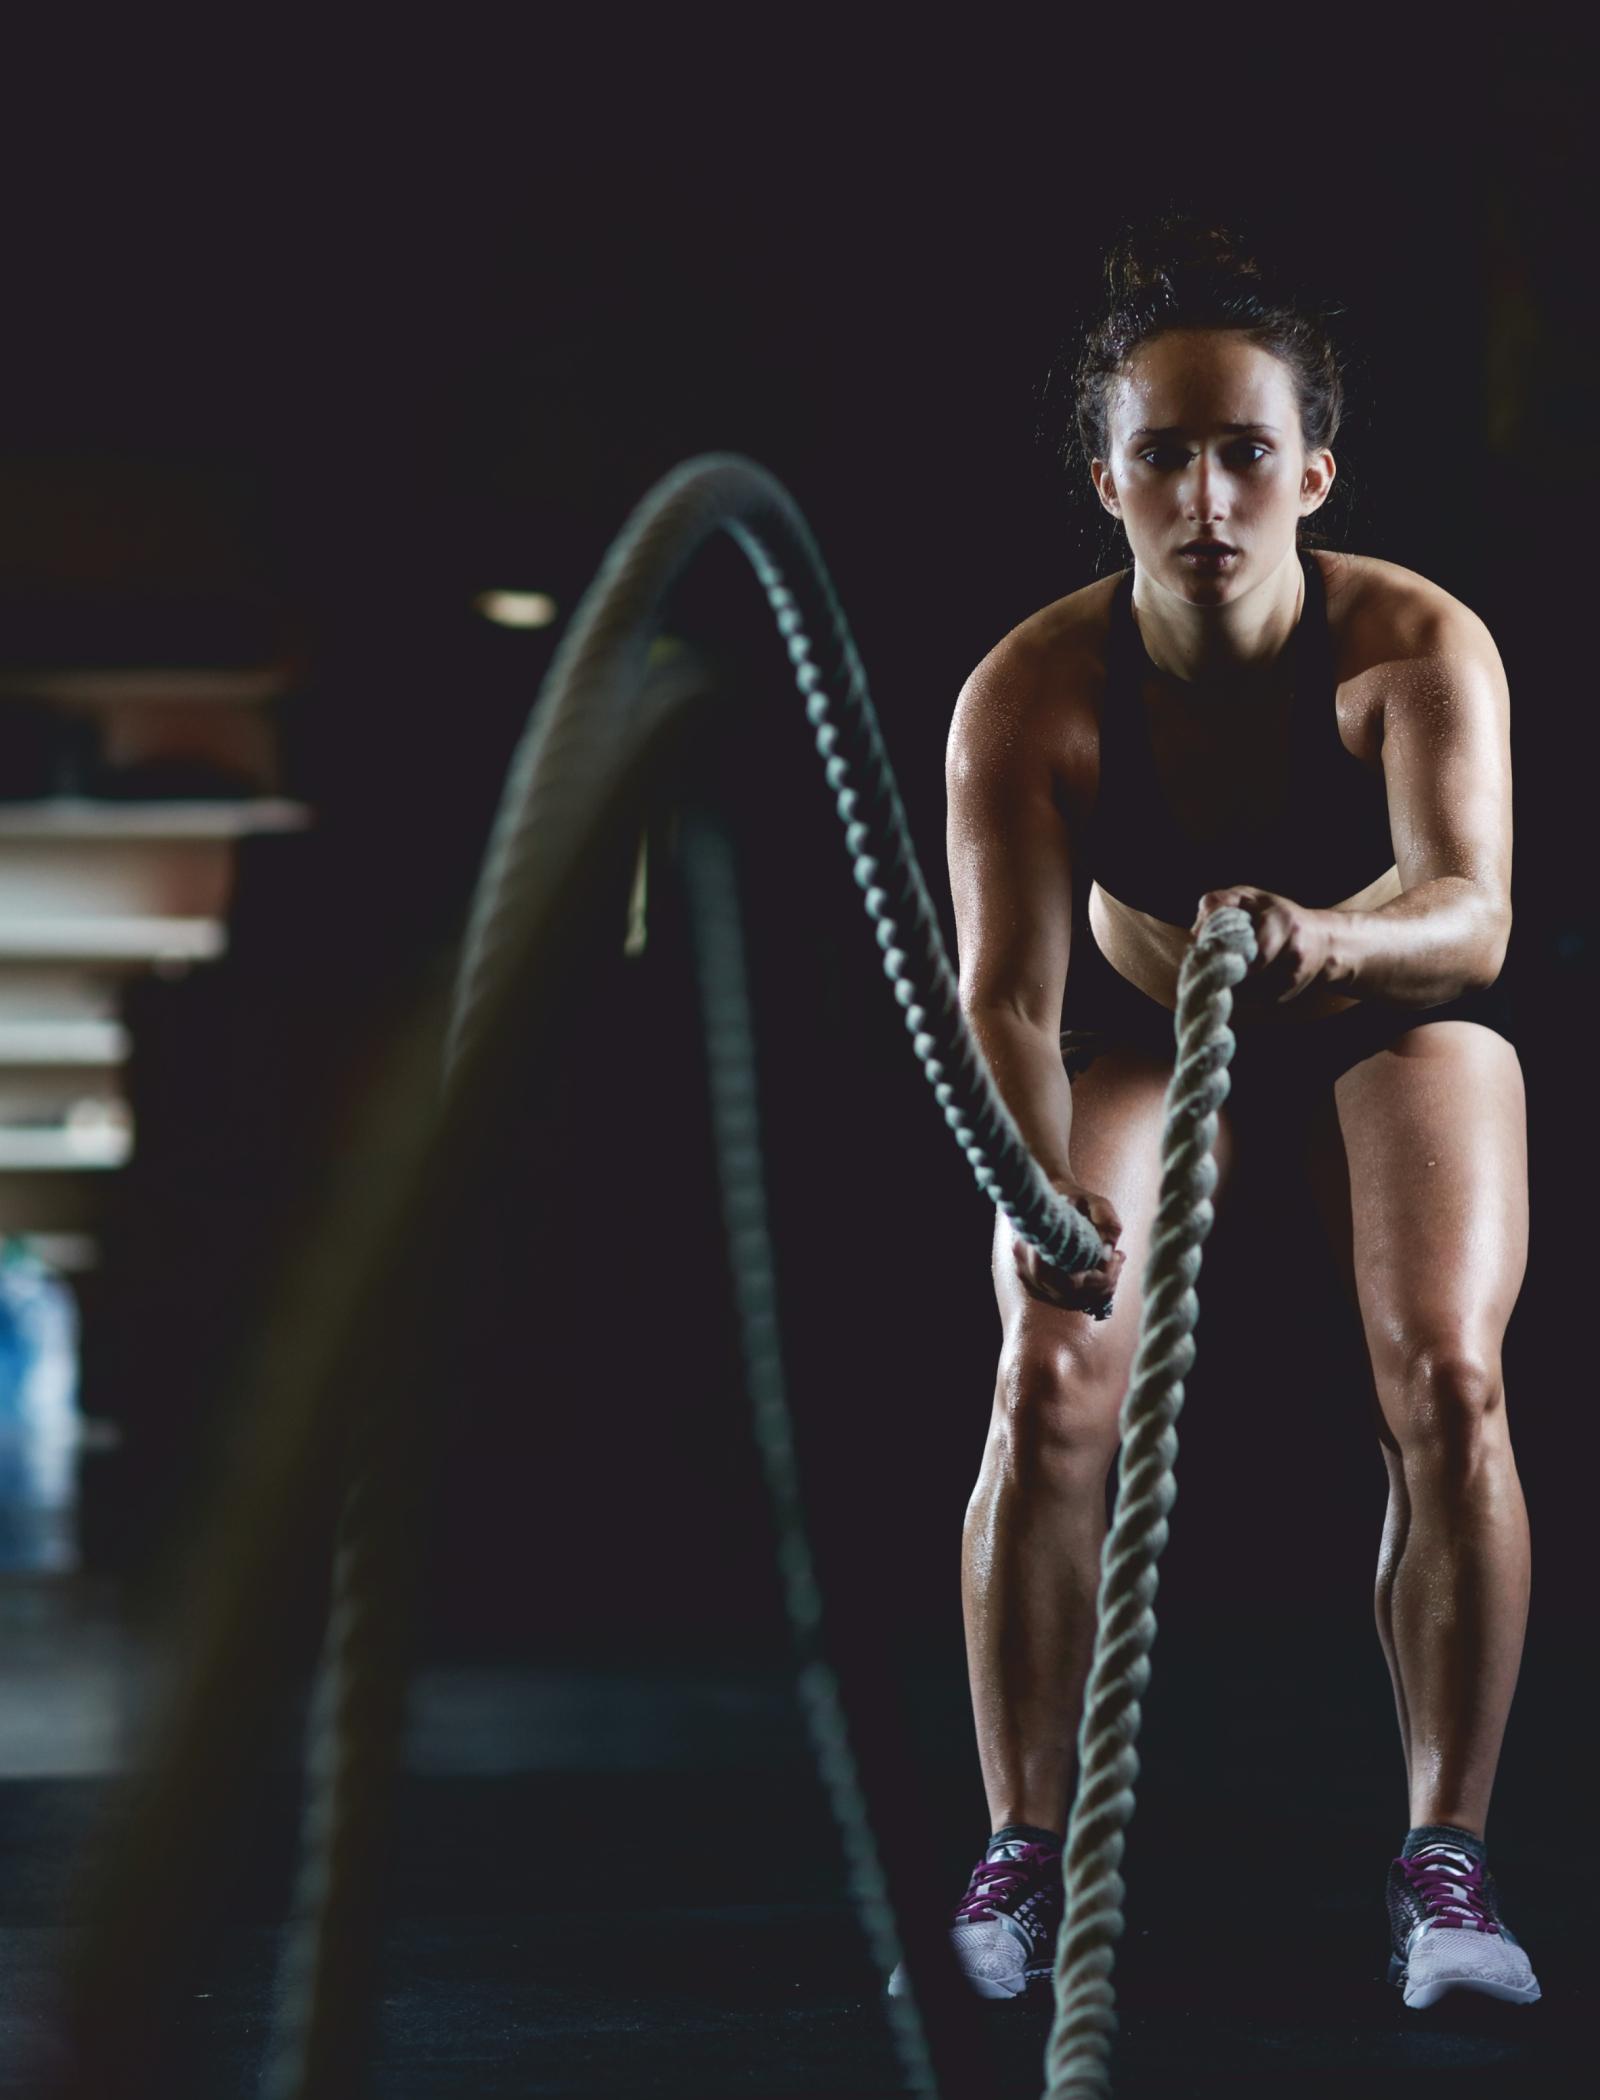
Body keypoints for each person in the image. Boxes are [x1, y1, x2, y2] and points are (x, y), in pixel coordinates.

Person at [888, 218, 1539, 2013]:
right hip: (1141, 1028)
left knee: (1449, 1378)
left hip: (1389, 1014)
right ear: (1106, 480)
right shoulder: (1030, 696)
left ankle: (1448, 1863)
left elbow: (1471, 910)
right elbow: (1005, 1000)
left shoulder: (1411, 642)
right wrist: (1037, 1190)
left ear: (1312, 471)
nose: (1205, 494)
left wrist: (1328, 938)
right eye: (1162, 452)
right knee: (1044, 1374)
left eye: (1246, 449)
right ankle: (1022, 1848)